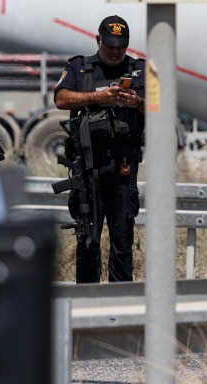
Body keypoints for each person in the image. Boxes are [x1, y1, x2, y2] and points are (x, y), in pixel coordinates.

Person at [54, 15, 146, 283]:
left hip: (123, 165)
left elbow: (159, 103)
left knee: (122, 238)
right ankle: (86, 301)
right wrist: (98, 97)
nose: (116, 52)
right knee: (88, 239)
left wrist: (136, 102)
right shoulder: (80, 68)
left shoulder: (140, 69)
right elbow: (61, 98)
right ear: (98, 41)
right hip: (87, 165)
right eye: (110, 46)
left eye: (121, 47)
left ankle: (120, 302)